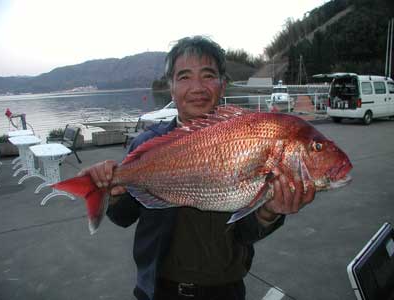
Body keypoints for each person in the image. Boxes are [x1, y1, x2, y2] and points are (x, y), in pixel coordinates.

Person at [78, 36, 316, 300]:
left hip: (225, 290)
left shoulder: (248, 140)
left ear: (222, 85)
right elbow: (124, 216)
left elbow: (245, 233)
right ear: (171, 88)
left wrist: (269, 213)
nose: (197, 87)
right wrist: (112, 191)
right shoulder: (146, 144)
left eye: (208, 75)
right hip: (158, 289)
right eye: (184, 77)